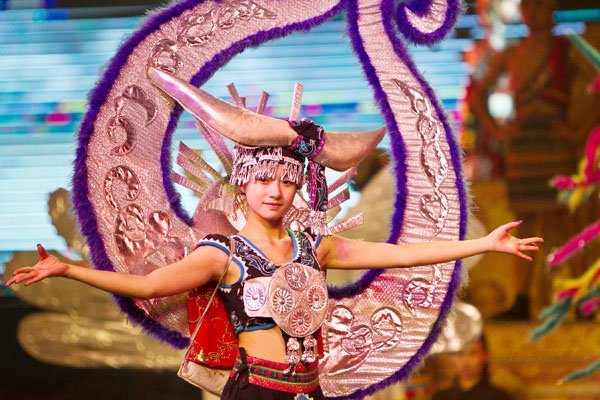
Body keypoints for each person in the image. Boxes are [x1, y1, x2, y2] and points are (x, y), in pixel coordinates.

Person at [6, 71, 543, 400]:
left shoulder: (315, 248)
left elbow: (403, 255)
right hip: (254, 393)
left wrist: (484, 244)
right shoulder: (224, 255)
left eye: (287, 182)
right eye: (263, 180)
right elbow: (149, 289)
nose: (275, 192)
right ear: (244, 185)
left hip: (310, 391)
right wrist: (67, 268)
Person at [432, 336, 513, 400]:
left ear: (486, 356)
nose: (465, 361)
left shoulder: (500, 397)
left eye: (472, 354)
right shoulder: (441, 397)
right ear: (451, 358)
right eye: (460, 354)